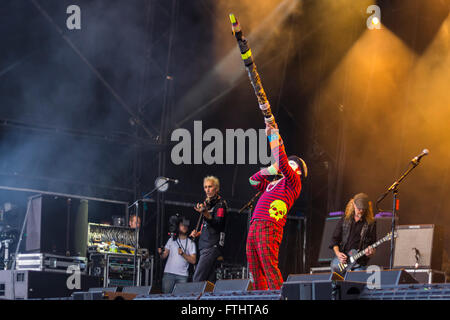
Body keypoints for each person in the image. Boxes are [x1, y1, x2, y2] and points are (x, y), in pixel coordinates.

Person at [246, 121, 307, 290]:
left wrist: (273, 136)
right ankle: (262, 299)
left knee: (268, 266)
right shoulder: (272, 184)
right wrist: (271, 170)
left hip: (269, 225)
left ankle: (278, 296)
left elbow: (282, 161)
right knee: (254, 269)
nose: (287, 166)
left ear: (299, 171)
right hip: (255, 224)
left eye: (291, 164)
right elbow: (252, 180)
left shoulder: (294, 182)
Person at [190, 176, 228, 283]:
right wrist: (198, 233)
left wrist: (207, 214)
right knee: (209, 281)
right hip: (204, 246)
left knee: (197, 279)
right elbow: (207, 227)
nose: (207, 189)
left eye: (210, 187)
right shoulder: (206, 204)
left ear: (216, 189)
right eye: (205, 187)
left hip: (211, 246)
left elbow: (218, 224)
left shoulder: (220, 205)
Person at [330, 193, 377, 271]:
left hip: (359, 263)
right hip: (343, 261)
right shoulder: (345, 219)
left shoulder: (371, 223)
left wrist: (371, 252)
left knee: (356, 281)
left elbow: (373, 244)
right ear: (354, 205)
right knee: (336, 281)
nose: (361, 211)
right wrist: (338, 254)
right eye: (359, 208)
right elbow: (334, 240)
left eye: (364, 209)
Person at [158, 217, 196, 293]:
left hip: (183, 276)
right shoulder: (171, 240)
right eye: (182, 225)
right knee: (166, 297)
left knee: (180, 297)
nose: (184, 227)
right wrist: (160, 253)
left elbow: (193, 261)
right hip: (169, 274)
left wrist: (183, 254)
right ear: (178, 226)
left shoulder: (191, 243)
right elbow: (164, 256)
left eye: (186, 225)